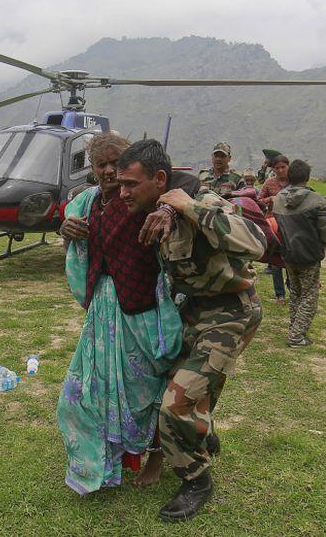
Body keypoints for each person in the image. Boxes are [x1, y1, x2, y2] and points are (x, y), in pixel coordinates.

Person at [117, 139, 266, 523]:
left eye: (131, 184)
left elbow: (256, 240)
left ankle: (196, 478)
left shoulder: (202, 203)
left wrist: (189, 207)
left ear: (159, 179)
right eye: (121, 183)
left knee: (177, 402)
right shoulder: (151, 209)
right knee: (176, 387)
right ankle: (200, 433)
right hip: (192, 315)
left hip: (231, 314)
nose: (124, 192)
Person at [57, 133, 183, 495]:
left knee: (148, 388)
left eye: (117, 162)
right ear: (93, 170)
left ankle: (156, 455)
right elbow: (70, 228)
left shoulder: (147, 198)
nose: (110, 171)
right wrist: (65, 231)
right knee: (87, 392)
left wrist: (167, 210)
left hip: (142, 309)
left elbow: (184, 187)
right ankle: (105, 460)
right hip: (103, 310)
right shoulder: (86, 203)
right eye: (102, 165)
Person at [273, 160, 326, 347]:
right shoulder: (316, 200)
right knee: (309, 295)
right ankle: (295, 336)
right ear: (307, 178)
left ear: (289, 176)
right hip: (309, 256)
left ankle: (295, 327)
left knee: (295, 293)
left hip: (287, 254)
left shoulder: (279, 198)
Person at [259, 155, 290, 305]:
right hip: (273, 224)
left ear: (288, 167)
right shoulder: (270, 183)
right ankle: (280, 295)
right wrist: (269, 199)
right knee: (276, 260)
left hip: (291, 224)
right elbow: (258, 200)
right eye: (277, 168)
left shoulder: (294, 182)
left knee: (291, 257)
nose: (280, 170)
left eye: (283, 167)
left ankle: (293, 289)